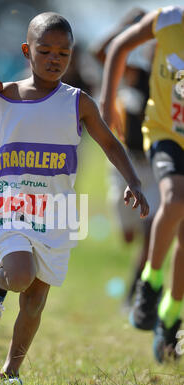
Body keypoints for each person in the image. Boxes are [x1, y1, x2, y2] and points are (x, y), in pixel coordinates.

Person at [0, 12, 149, 385]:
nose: (55, 58)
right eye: (45, 51)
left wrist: (134, 181)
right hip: (9, 204)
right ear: (28, 51)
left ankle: (11, 371)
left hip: (55, 210)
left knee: (35, 301)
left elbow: (109, 142)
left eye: (63, 52)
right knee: (21, 276)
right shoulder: (3, 95)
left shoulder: (79, 102)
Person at [100, 5, 184, 363]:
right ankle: (150, 282)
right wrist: (106, 101)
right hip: (165, 134)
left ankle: (170, 315)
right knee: (176, 199)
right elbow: (118, 46)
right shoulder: (168, 20)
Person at [92, 9, 160, 309]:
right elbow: (100, 54)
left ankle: (134, 295)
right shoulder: (136, 76)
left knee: (151, 232)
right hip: (124, 165)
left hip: (157, 166)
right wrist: (124, 27)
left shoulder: (175, 83)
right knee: (129, 235)